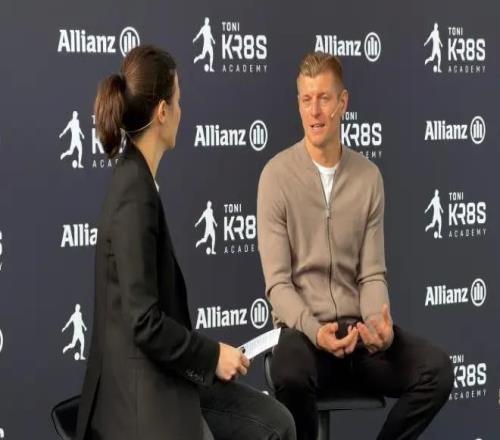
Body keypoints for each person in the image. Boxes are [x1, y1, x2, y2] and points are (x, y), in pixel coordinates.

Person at [76, 45, 295, 440]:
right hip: (137, 397)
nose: (182, 111)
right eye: (178, 101)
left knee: (276, 423)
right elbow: (145, 323)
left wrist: (211, 357)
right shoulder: (134, 194)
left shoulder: (138, 180)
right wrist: (212, 356)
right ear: (162, 112)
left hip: (162, 375)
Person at [257, 51, 453, 440]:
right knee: (289, 373)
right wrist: (316, 331)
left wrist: (378, 325)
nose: (315, 111)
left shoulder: (369, 178)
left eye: (324, 98)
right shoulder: (275, 177)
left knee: (437, 370)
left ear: (343, 102)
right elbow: (278, 285)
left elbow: (372, 273)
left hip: (357, 335)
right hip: (304, 337)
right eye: (306, 99)